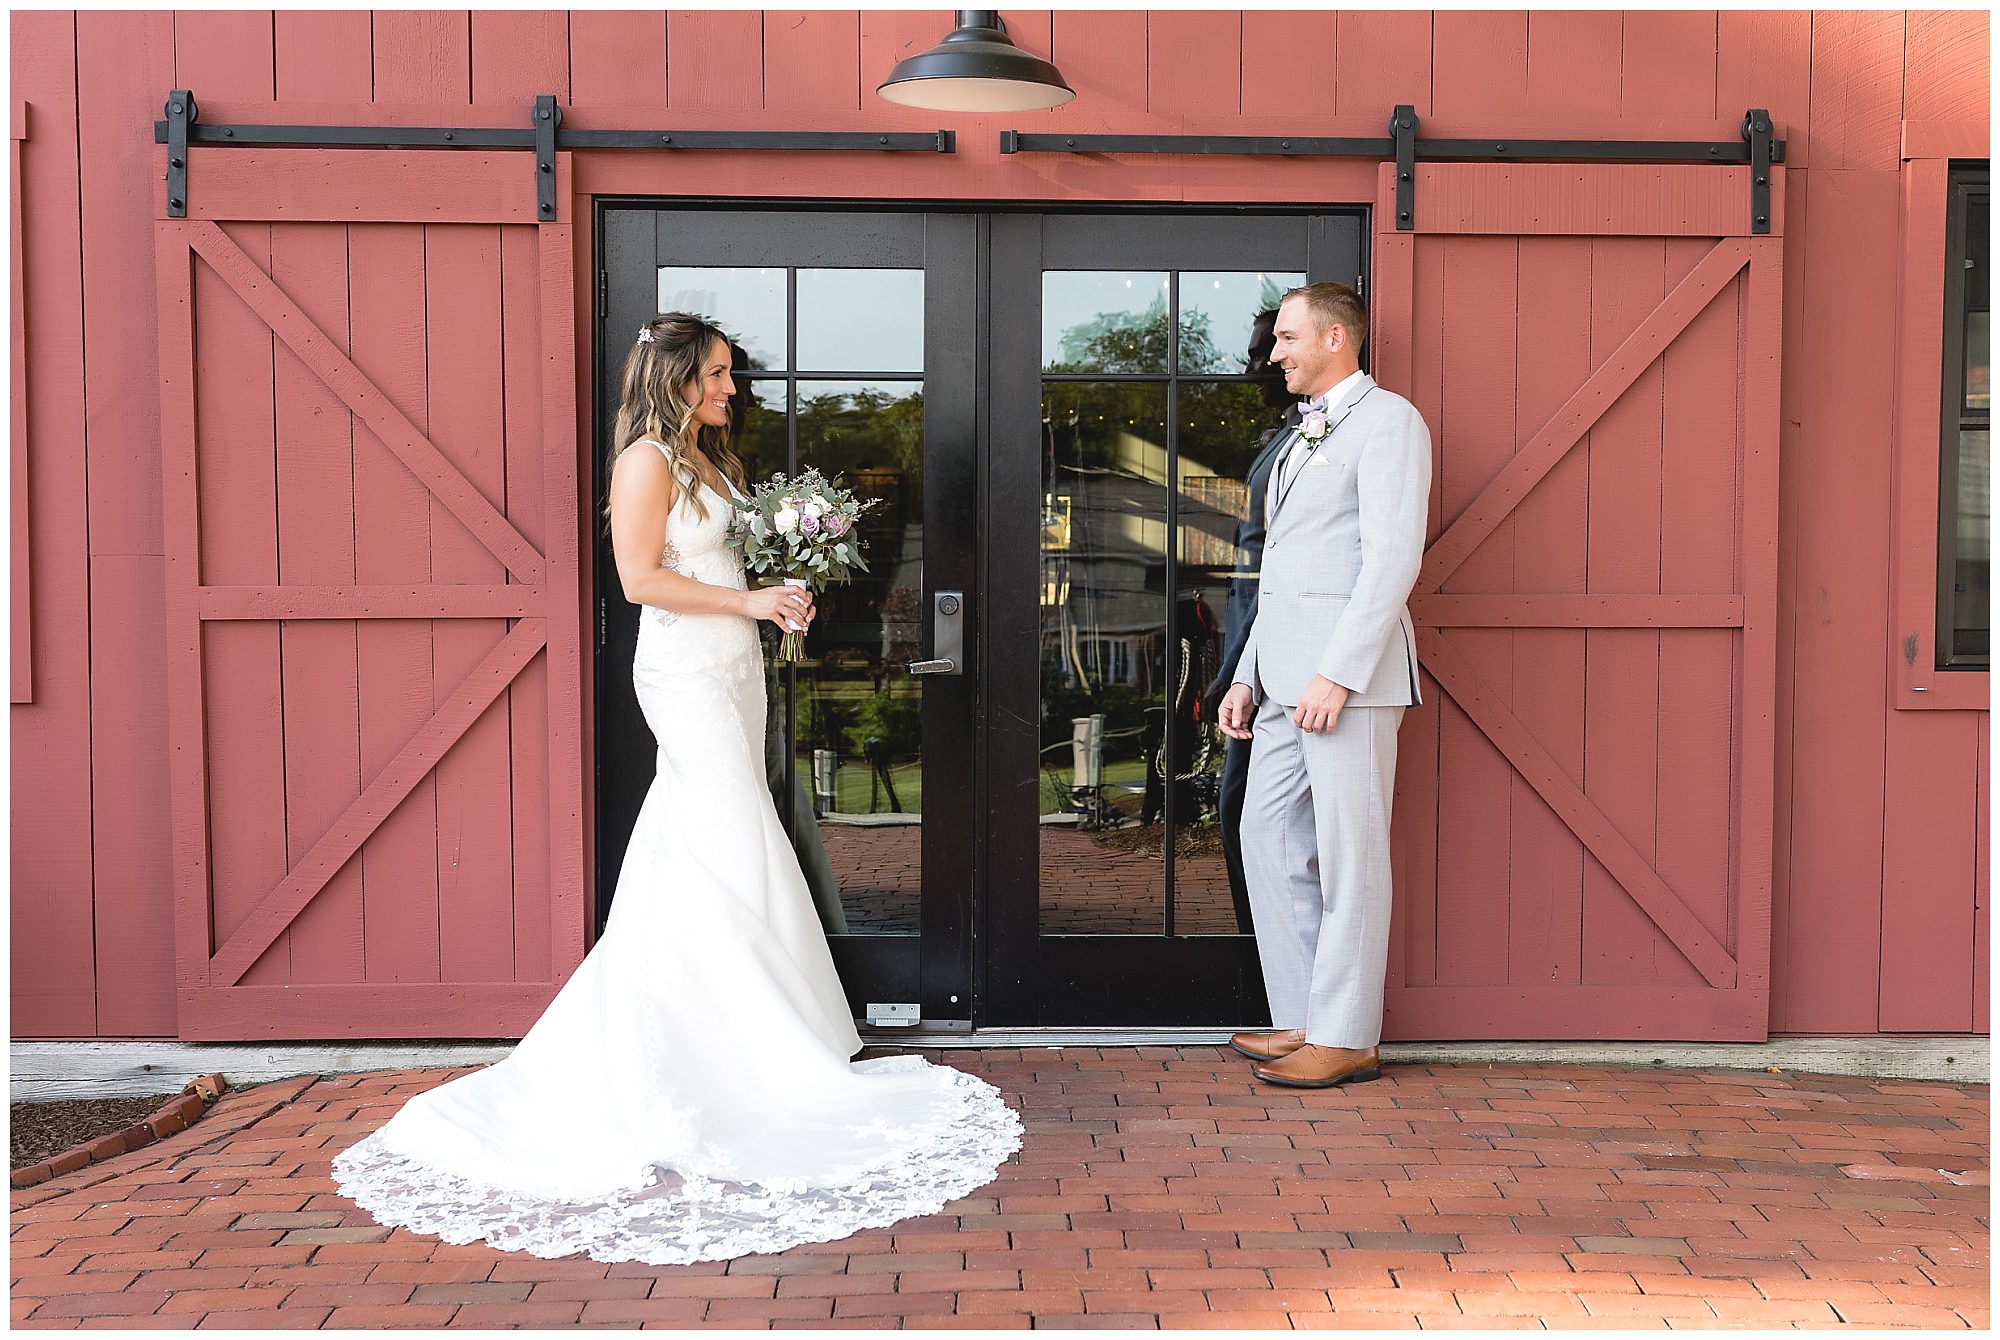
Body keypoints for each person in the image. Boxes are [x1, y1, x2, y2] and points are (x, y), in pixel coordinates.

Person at [333, 313, 1020, 1264]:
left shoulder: (708, 458)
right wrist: (747, 600)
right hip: (686, 671)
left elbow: (715, 562)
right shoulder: (645, 462)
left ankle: (750, 1030)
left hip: (733, 665)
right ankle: (733, 1049)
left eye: (732, 375)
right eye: (720, 375)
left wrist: (777, 590)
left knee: (710, 837)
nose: (734, 389)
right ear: (677, 378)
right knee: (727, 831)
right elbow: (639, 578)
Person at [1216, 282, 1432, 1090]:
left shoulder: (1390, 423)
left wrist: (1338, 673)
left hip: (1349, 682)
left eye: (1288, 339)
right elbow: (1282, 572)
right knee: (1266, 837)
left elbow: (1390, 560)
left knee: (1350, 857)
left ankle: (1347, 1036)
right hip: (1277, 681)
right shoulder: (1298, 436)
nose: (1276, 355)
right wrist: (1245, 675)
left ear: (1337, 339)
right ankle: (1305, 1015)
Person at [1202, 308, 1302, 934]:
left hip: (1280, 665)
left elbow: (1276, 569)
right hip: (1254, 660)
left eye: (1271, 347)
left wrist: (1239, 672)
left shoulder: (1312, 439)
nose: (1257, 366)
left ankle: (1263, 966)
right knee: (1243, 813)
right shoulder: (1283, 439)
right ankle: (1263, 959)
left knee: (1247, 813)